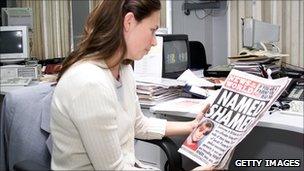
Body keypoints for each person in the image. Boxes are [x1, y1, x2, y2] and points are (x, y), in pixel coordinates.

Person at [50, 0, 211, 170]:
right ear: (129, 22)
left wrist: (192, 126)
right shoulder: (89, 83)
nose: (155, 42)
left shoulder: (123, 69)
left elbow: (139, 125)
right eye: (152, 30)